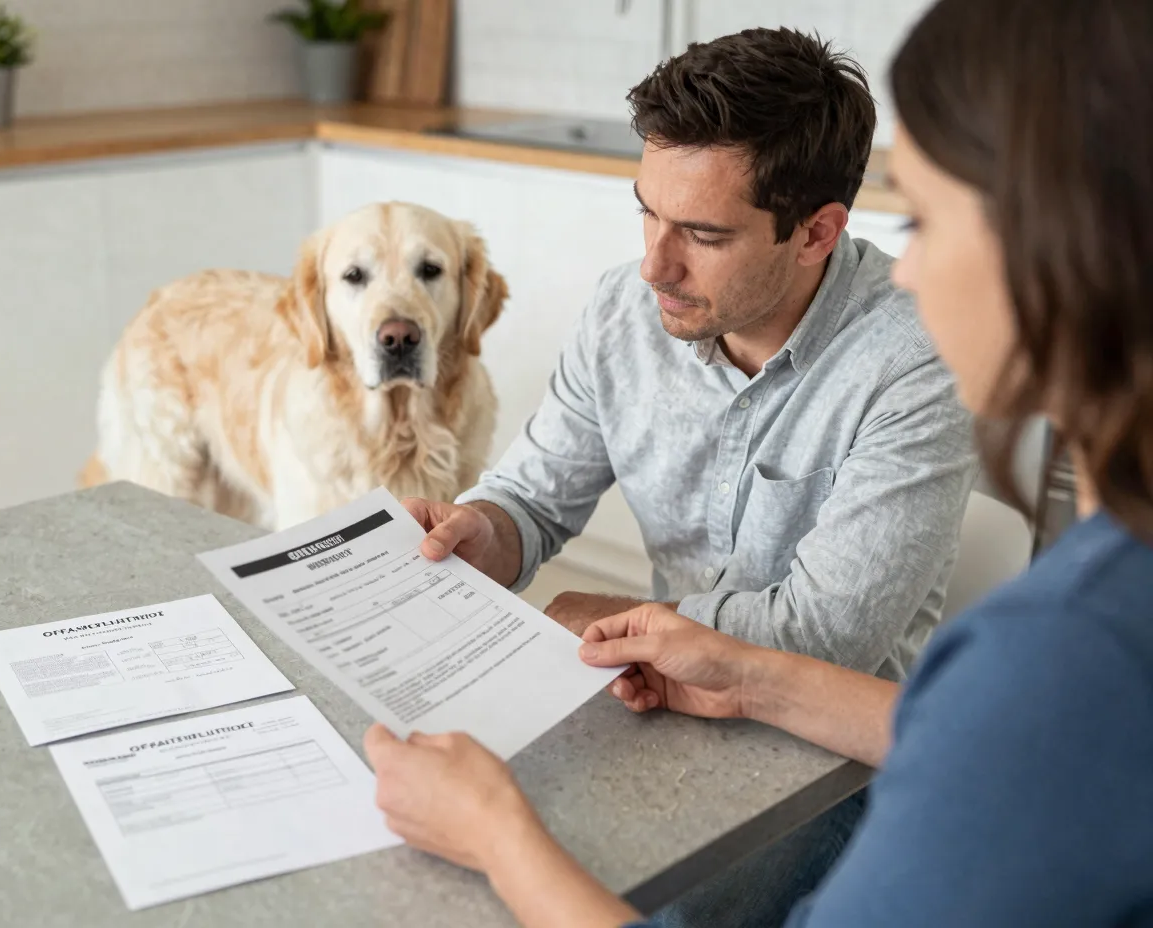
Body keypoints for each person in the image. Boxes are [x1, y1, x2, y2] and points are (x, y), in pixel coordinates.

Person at [363, 0, 1153, 925]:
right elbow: (534, 498)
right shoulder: (627, 307)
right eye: (647, 214)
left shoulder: (915, 372)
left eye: (702, 235)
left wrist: (620, 633)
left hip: (818, 764)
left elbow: (824, 637)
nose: (655, 264)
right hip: (659, 698)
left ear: (818, 231)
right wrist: (482, 532)